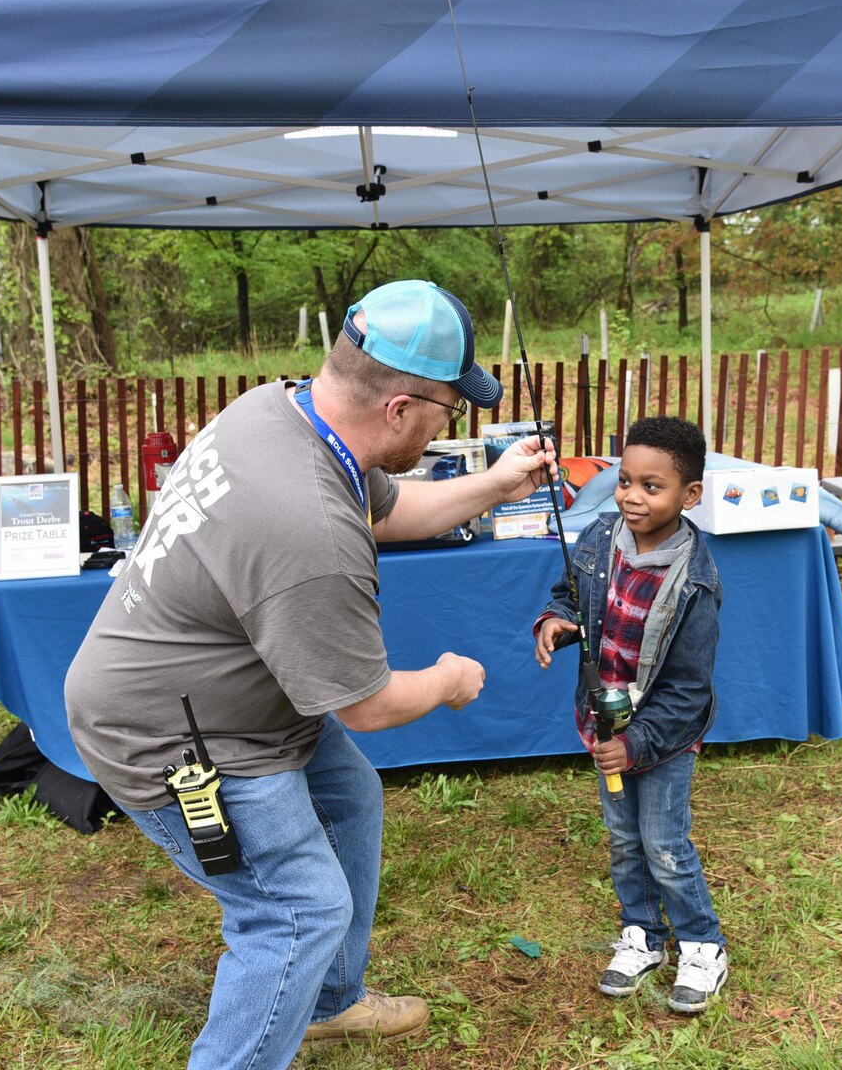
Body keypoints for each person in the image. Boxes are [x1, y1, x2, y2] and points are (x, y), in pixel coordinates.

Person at [64, 279, 555, 1069]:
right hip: (171, 736)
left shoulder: (280, 412)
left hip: (232, 700)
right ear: (399, 409)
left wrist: (495, 485)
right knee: (295, 912)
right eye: (448, 411)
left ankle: (329, 1003)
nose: (447, 426)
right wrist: (450, 679)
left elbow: (387, 511)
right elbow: (366, 704)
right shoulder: (308, 527)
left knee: (348, 797)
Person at [533, 416, 729, 1014]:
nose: (631, 497)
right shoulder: (598, 538)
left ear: (689, 495)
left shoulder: (696, 581)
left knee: (664, 842)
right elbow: (571, 592)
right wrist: (555, 621)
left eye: (652, 486)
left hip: (663, 740)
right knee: (623, 839)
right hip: (603, 726)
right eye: (624, 482)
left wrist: (637, 744)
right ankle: (643, 933)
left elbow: (689, 692)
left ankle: (702, 944)